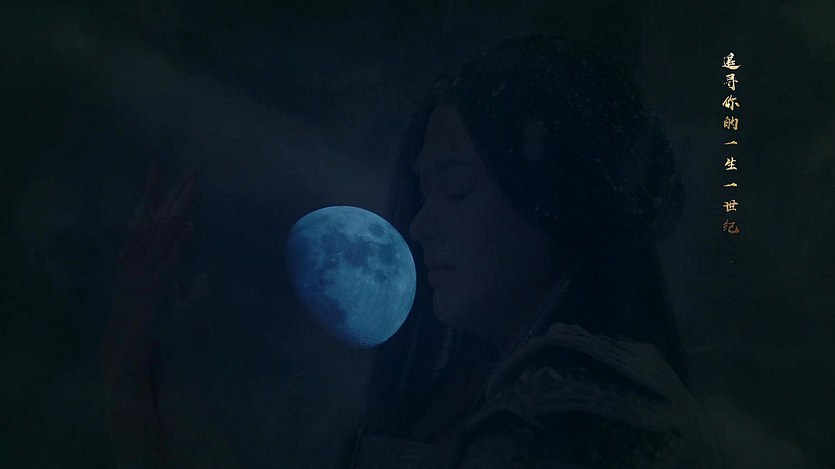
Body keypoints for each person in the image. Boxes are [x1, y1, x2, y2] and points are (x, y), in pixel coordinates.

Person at [102, 34, 722, 468]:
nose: (419, 227)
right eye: (423, 193)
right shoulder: (483, 389)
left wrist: (138, 379)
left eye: (458, 187)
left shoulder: (579, 405)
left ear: (552, 193)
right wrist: (141, 370)